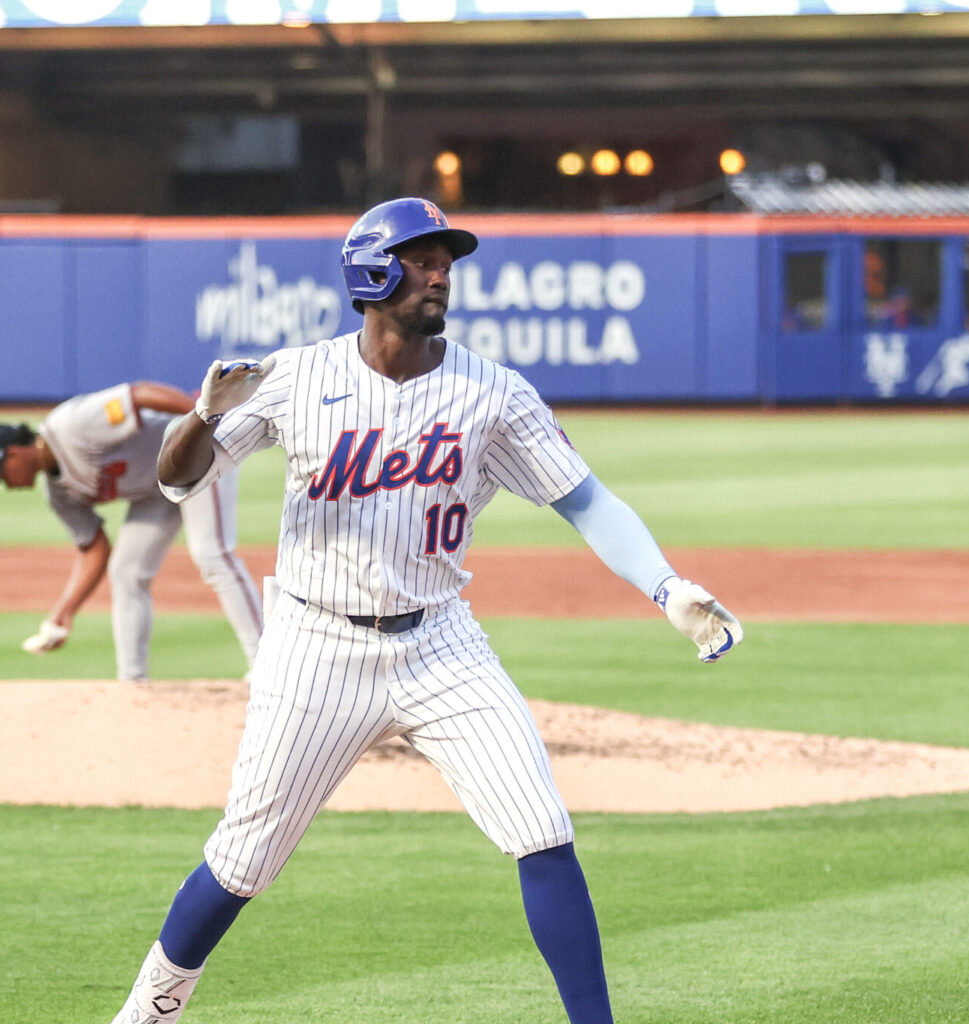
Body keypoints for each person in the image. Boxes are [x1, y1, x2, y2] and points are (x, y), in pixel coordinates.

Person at [105, 197, 744, 1024]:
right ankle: (150, 1011)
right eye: (421, 257)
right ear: (371, 273)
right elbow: (177, 480)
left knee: (541, 827)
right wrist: (205, 413)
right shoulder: (295, 377)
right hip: (313, 644)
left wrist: (665, 586)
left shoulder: (492, 393)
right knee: (244, 858)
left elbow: (587, 502)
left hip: (441, 642)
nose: (441, 272)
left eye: (446, 259)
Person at [0, 380, 262, 682]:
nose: (6, 485)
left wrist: (201, 422)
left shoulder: (71, 426)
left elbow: (139, 395)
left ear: (14, 453)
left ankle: (264, 663)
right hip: (158, 490)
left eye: (2, 475)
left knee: (211, 554)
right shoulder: (58, 495)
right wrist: (65, 611)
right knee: (126, 571)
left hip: (193, 454)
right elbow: (94, 549)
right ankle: (132, 682)